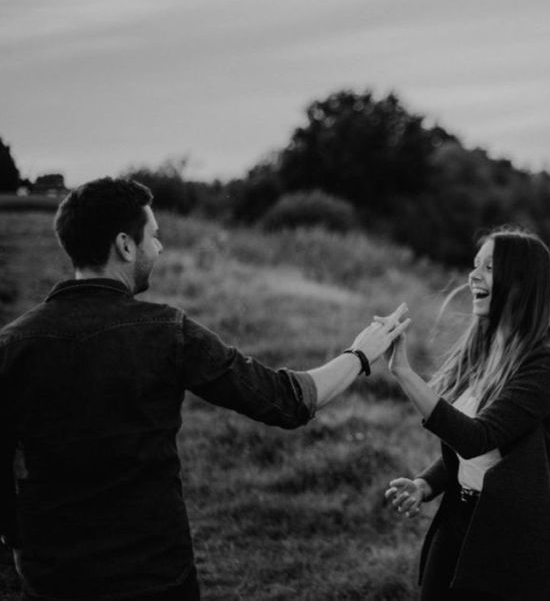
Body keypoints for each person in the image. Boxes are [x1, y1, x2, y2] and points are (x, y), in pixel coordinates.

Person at [0, 177, 409, 600]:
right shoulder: (166, 331)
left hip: (51, 576)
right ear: (125, 245)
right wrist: (360, 355)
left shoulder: (11, 343)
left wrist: (16, 539)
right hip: (154, 573)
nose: (159, 248)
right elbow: (284, 400)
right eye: (154, 237)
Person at [383, 228, 550, 600]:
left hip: (516, 538)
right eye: (475, 266)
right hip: (458, 517)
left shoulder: (546, 365)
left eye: (489, 268)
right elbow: (477, 454)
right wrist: (426, 484)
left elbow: (477, 438)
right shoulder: (485, 348)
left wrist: (403, 372)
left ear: (522, 283)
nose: (473, 276)